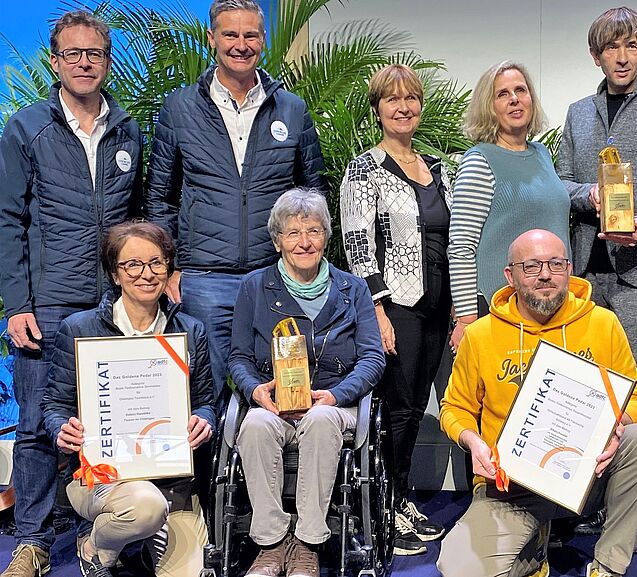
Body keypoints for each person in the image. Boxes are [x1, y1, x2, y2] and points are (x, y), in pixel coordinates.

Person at [0, 10, 143, 576]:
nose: (84, 62)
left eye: (94, 53)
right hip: (49, 303)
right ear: (55, 61)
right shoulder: (26, 128)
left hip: (113, 304)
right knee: (38, 426)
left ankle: (98, 535)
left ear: (106, 61)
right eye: (73, 53)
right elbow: (8, 220)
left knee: (108, 422)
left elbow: (138, 219)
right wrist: (18, 305)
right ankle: (33, 542)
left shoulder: (128, 129)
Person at [437, 229, 637, 577]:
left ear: (569, 269)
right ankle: (533, 552)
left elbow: (636, 396)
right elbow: (455, 408)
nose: (545, 274)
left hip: (587, 475)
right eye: (531, 266)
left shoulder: (602, 323)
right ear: (510, 276)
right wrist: (472, 441)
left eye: (556, 264)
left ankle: (608, 565)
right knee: (460, 569)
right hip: (512, 486)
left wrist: (617, 428)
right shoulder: (481, 335)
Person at [145, 0, 326, 406]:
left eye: (250, 35)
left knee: (284, 395)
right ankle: (209, 455)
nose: (240, 45)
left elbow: (313, 194)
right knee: (203, 397)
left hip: (275, 277)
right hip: (202, 281)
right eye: (230, 34)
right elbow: (160, 196)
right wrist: (169, 267)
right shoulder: (179, 108)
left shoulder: (292, 109)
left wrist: (304, 264)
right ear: (212, 38)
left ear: (263, 40)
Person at [41, 221, 216, 577]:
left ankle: (142, 544)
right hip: (105, 477)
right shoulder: (79, 329)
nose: (146, 274)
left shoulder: (190, 330)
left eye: (156, 263)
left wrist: (204, 420)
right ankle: (97, 546)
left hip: (173, 480)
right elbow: (54, 406)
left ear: (168, 268)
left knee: (189, 573)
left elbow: (205, 401)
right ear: (115, 274)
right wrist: (62, 429)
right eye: (133, 264)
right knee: (144, 508)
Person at [229, 189, 385, 577]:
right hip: (275, 404)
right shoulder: (254, 287)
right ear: (277, 240)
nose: (304, 242)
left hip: (334, 405)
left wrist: (336, 395)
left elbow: (372, 358)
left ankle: (307, 543)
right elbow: (239, 358)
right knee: (254, 425)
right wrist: (255, 390)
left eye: (313, 231)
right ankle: (270, 544)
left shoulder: (353, 288)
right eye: (293, 233)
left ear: (326, 237)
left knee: (320, 420)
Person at [556, 6, 637, 430]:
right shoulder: (578, 112)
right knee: (579, 387)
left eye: (631, 46)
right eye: (612, 47)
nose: (622, 57)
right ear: (596, 56)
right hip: (583, 274)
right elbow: (560, 183)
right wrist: (588, 194)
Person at [340, 64, 449, 556]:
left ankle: (401, 498)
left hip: (439, 306)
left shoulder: (439, 167)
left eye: (411, 98)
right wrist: (378, 311)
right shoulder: (365, 168)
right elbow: (357, 242)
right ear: (377, 109)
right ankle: (384, 508)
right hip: (396, 304)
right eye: (392, 99)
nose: (403, 107)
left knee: (417, 405)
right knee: (398, 410)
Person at [448, 61, 570, 351]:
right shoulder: (479, 161)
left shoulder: (542, 154)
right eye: (502, 94)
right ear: (488, 107)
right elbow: (461, 246)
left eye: (520, 90)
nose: (514, 99)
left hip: (548, 304)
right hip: (499, 308)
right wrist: (466, 318)